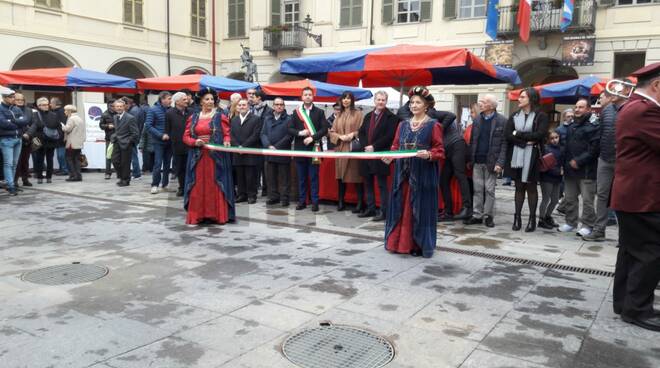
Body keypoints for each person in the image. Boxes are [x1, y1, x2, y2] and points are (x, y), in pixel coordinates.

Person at [611, 62, 660, 331]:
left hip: (633, 194)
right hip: (643, 196)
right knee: (651, 252)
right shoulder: (645, 110)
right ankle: (638, 309)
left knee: (631, 251)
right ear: (657, 85)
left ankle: (625, 303)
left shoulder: (633, 107)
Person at [385, 86, 444, 258]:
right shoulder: (402, 125)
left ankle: (418, 244)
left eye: (418, 102)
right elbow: (395, 147)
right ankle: (398, 243)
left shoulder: (434, 125)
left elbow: (440, 150)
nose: (414, 105)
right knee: (400, 207)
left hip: (422, 174)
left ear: (426, 106)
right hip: (402, 175)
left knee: (418, 209)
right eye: (411, 102)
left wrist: (429, 155)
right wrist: (390, 156)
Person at [183, 88, 235, 225]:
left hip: (215, 157)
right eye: (207, 99)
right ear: (201, 102)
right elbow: (185, 137)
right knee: (198, 185)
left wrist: (227, 140)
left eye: (212, 99)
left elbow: (227, 133)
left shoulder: (220, 116)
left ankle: (217, 215)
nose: (210, 101)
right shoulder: (193, 118)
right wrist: (195, 142)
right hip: (197, 157)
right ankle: (198, 215)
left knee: (215, 184)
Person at [584, 89, 628, 242]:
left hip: (623, 160)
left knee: (623, 197)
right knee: (602, 195)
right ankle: (599, 230)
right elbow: (600, 134)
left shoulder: (631, 107)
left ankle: (624, 236)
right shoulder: (606, 110)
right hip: (604, 159)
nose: (613, 93)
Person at [504, 87, 549, 232]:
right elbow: (508, 135)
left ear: (531, 99)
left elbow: (540, 135)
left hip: (533, 157)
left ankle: (532, 220)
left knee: (531, 188)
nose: (519, 99)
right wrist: (523, 141)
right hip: (516, 155)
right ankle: (516, 218)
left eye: (523, 97)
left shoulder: (540, 116)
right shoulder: (514, 115)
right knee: (518, 188)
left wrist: (518, 133)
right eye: (520, 96)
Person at [558, 98, 600, 237]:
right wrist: (563, 165)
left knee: (588, 201)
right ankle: (570, 223)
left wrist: (579, 161)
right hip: (570, 170)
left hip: (587, 171)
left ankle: (588, 225)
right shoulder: (571, 126)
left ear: (588, 109)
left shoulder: (594, 126)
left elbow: (594, 150)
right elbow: (566, 148)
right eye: (576, 107)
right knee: (570, 198)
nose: (577, 109)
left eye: (581, 107)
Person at [464, 94, 508, 228]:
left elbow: (505, 144)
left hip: (492, 162)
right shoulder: (477, 119)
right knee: (477, 189)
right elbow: (473, 141)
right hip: (477, 160)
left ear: (491, 105)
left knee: (489, 190)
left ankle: (488, 215)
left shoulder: (502, 120)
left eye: (483, 101)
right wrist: (470, 158)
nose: (480, 103)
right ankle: (477, 215)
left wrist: (500, 163)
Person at [358, 90, 398, 221]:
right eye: (378, 99)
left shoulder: (392, 117)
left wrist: (374, 147)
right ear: (374, 101)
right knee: (368, 183)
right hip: (366, 154)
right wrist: (365, 146)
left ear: (386, 102)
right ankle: (370, 209)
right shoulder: (368, 116)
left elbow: (390, 136)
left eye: (383, 100)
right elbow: (361, 132)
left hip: (380, 154)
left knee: (382, 185)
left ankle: (384, 211)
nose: (380, 102)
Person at [288, 86, 329, 212]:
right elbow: (289, 129)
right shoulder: (296, 112)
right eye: (305, 94)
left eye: (309, 95)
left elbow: (324, 129)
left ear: (313, 97)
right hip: (300, 149)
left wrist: (312, 138)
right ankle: (302, 201)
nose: (307, 97)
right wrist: (300, 133)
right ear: (302, 97)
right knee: (301, 178)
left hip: (314, 149)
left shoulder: (320, 112)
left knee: (314, 177)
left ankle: (315, 202)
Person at [329, 91, 365, 213]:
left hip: (352, 148)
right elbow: (332, 132)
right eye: (344, 98)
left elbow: (362, 129)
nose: (346, 100)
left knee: (356, 177)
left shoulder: (358, 114)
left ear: (352, 100)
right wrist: (339, 136)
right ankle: (341, 201)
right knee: (340, 177)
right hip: (340, 149)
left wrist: (352, 134)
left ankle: (360, 203)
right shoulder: (338, 115)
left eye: (348, 98)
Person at [261, 97, 292, 207]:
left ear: (284, 106)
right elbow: (263, 134)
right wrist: (268, 145)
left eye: (281, 104)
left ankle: (285, 198)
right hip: (270, 153)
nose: (279, 106)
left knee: (284, 177)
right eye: (277, 104)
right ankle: (273, 196)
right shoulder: (267, 118)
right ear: (273, 106)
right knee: (270, 177)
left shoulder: (288, 119)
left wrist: (276, 147)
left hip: (282, 152)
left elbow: (289, 136)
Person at [230, 99, 263, 203]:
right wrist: (237, 146)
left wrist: (243, 146)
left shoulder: (256, 119)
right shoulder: (234, 119)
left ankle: (252, 195)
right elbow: (231, 135)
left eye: (244, 105)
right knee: (240, 175)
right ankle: (241, 195)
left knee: (250, 175)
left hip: (250, 151)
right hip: (237, 152)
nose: (241, 107)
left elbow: (256, 135)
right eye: (239, 105)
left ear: (248, 106)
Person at [0, 89, 28, 195]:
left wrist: (12, 121)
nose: (13, 99)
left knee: (14, 164)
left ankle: (10, 184)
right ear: (4, 98)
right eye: (11, 97)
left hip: (18, 139)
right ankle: (11, 186)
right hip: (6, 139)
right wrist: (18, 123)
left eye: (13, 97)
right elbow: (3, 124)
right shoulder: (0, 108)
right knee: (8, 163)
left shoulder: (16, 108)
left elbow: (25, 121)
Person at [28, 97, 61, 184]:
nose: (46, 106)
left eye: (47, 104)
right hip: (39, 140)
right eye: (43, 105)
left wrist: (56, 135)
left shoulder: (54, 115)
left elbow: (58, 127)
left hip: (51, 141)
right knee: (39, 160)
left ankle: (49, 177)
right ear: (38, 106)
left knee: (50, 159)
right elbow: (33, 127)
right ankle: (39, 177)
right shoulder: (35, 115)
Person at [145, 91, 173, 194]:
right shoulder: (153, 110)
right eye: (169, 99)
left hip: (170, 142)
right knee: (158, 163)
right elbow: (148, 126)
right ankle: (155, 185)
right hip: (158, 142)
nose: (171, 101)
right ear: (162, 99)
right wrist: (161, 135)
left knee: (167, 164)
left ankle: (165, 184)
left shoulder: (171, 110)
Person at [166, 92, 192, 197]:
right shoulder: (169, 113)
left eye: (187, 99)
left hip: (190, 144)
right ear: (177, 101)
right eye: (184, 99)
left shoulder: (191, 112)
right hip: (178, 145)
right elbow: (167, 129)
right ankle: (182, 187)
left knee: (190, 167)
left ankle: (190, 187)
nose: (187, 101)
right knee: (180, 168)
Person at [110, 99, 139, 187]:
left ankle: (125, 180)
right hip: (117, 142)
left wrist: (128, 140)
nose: (119, 108)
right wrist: (114, 137)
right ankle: (121, 176)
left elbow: (135, 133)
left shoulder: (130, 118)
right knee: (114, 160)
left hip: (126, 143)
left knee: (125, 162)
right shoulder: (115, 117)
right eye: (117, 106)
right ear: (114, 108)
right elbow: (117, 129)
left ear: (124, 107)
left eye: (121, 106)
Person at [538, 131, 563, 229]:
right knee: (546, 199)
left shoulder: (561, 149)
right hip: (547, 178)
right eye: (552, 138)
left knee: (555, 200)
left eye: (556, 137)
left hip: (557, 178)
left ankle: (547, 216)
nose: (555, 140)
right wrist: (559, 171)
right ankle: (541, 219)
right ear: (548, 139)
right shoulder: (546, 149)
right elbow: (545, 165)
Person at [555, 108, 575, 214]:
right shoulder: (559, 129)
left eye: (572, 116)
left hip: (573, 158)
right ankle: (560, 199)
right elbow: (556, 144)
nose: (571, 118)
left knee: (571, 183)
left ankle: (565, 203)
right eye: (568, 116)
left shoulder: (576, 127)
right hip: (562, 158)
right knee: (562, 181)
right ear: (564, 117)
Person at [13, 93, 34, 187]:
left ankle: (25, 179)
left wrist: (28, 133)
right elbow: (12, 124)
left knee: (25, 160)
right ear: (14, 100)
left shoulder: (29, 110)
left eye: (21, 99)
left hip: (27, 139)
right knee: (16, 161)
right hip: (16, 138)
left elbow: (34, 124)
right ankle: (15, 180)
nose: (20, 101)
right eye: (18, 99)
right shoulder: (11, 110)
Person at [61, 105, 86, 182]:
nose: (64, 112)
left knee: (69, 159)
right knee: (76, 160)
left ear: (69, 111)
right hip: (78, 143)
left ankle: (73, 176)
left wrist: (62, 126)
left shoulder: (71, 119)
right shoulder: (79, 118)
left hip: (72, 143)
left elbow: (67, 129)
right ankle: (78, 176)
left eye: (65, 110)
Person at [123, 97, 143, 180]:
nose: (122, 107)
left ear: (127, 104)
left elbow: (133, 126)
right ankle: (136, 172)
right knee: (133, 155)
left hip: (132, 136)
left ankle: (136, 173)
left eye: (123, 105)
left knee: (133, 155)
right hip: (136, 135)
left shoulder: (132, 112)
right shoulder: (136, 110)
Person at [50, 97, 68, 177]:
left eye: (51, 103)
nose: (50, 104)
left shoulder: (60, 112)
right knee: (59, 155)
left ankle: (64, 169)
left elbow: (63, 125)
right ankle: (61, 169)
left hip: (61, 137)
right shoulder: (55, 111)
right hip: (57, 137)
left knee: (61, 155)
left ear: (55, 104)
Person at [99, 99, 116, 180]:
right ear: (108, 106)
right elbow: (101, 125)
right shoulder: (105, 114)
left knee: (118, 156)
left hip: (118, 137)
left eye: (114, 106)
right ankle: (108, 173)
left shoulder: (118, 113)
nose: (113, 107)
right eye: (112, 106)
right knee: (108, 156)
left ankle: (119, 172)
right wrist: (107, 126)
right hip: (109, 138)